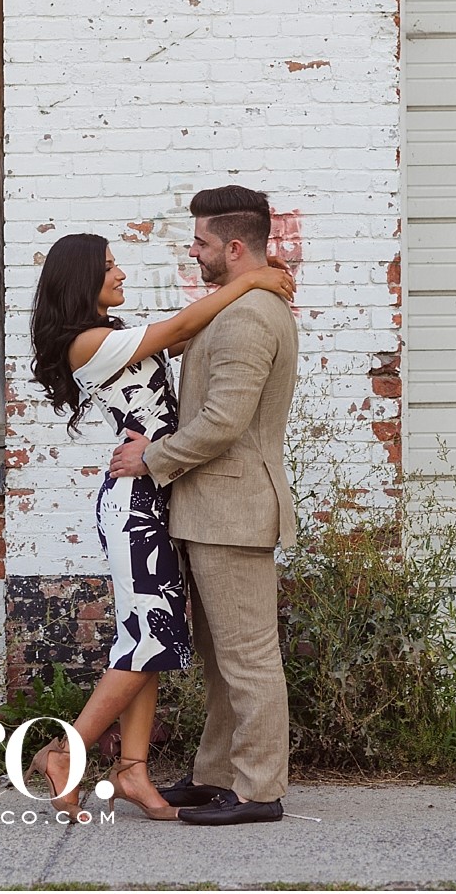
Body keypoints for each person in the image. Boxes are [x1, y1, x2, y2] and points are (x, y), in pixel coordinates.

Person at [27, 231, 294, 821]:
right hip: (134, 503)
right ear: (81, 282)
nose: (120, 274)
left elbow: (192, 331)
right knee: (148, 638)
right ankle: (63, 754)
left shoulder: (112, 335)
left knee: (146, 640)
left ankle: (132, 772)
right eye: (109, 267)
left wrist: (246, 276)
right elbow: (176, 331)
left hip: (154, 495)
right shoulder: (88, 343)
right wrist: (247, 279)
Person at [108, 185, 300, 827]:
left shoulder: (249, 317)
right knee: (222, 662)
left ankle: (257, 790)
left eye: (201, 243)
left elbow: (223, 420)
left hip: (236, 512)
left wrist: (151, 458)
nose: (193, 253)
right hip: (215, 511)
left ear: (235, 247)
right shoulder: (239, 304)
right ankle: (217, 776)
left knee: (248, 658)